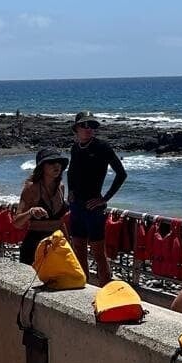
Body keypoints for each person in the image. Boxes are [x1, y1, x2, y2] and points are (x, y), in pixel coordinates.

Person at [67, 111, 127, 287]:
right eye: (84, 125)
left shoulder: (102, 147)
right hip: (76, 207)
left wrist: (105, 198)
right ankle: (82, 286)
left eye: (92, 125)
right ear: (76, 128)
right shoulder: (75, 148)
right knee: (78, 248)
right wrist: (70, 191)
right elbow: (71, 171)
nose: (88, 129)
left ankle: (106, 290)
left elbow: (121, 174)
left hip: (94, 208)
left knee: (99, 253)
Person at [14, 147, 69, 265]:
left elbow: (60, 220)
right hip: (35, 245)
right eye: (51, 162)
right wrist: (30, 212)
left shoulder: (60, 186)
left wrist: (68, 244)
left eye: (59, 162)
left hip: (56, 243)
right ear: (42, 166)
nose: (56, 166)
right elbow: (17, 223)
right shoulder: (31, 188)